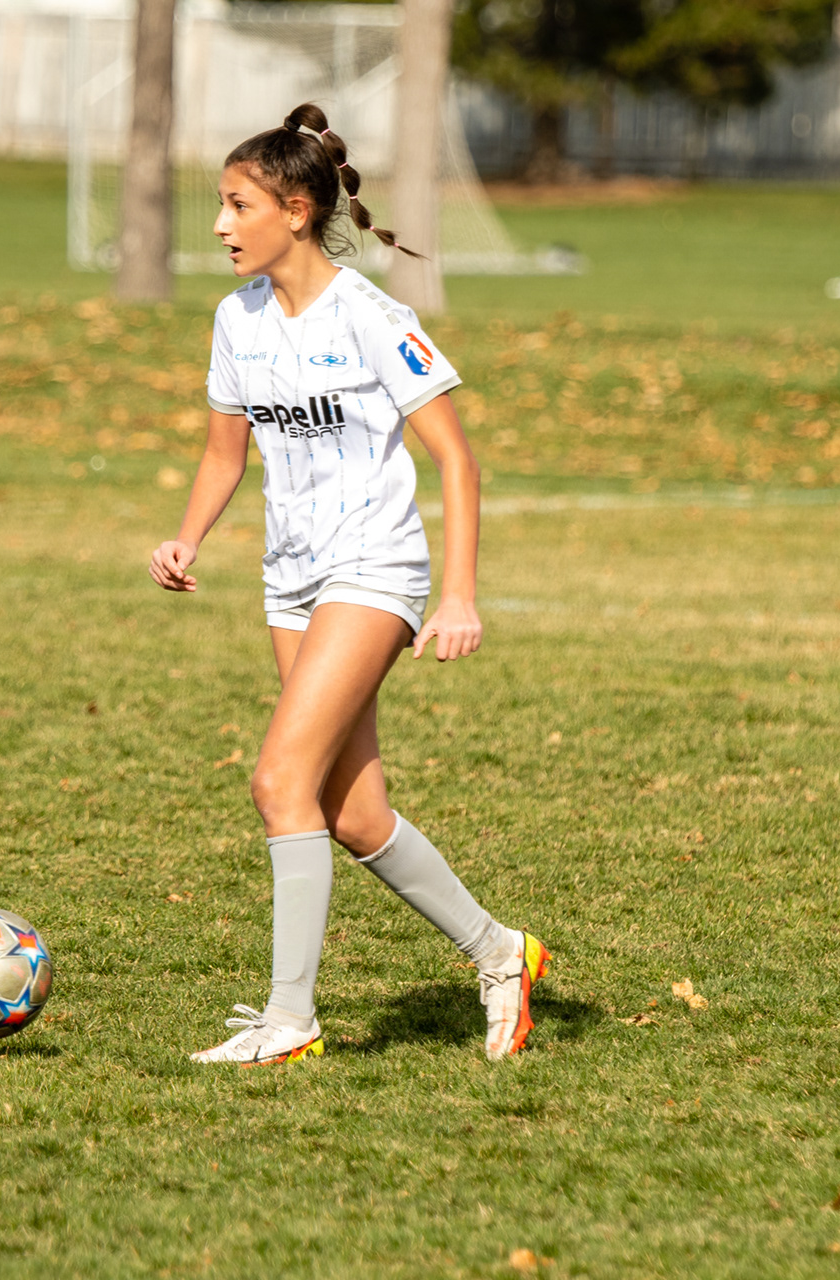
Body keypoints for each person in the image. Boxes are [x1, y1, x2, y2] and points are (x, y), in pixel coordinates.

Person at [147, 104, 548, 1064]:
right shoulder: (236, 319)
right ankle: (501, 952)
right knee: (353, 814)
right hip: (289, 580)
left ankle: (290, 1020)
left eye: (237, 205)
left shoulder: (371, 316)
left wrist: (459, 594)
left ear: (296, 211)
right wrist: (187, 538)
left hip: (374, 568)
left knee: (278, 781)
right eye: (219, 205)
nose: (220, 225)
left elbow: (457, 461)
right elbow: (223, 454)